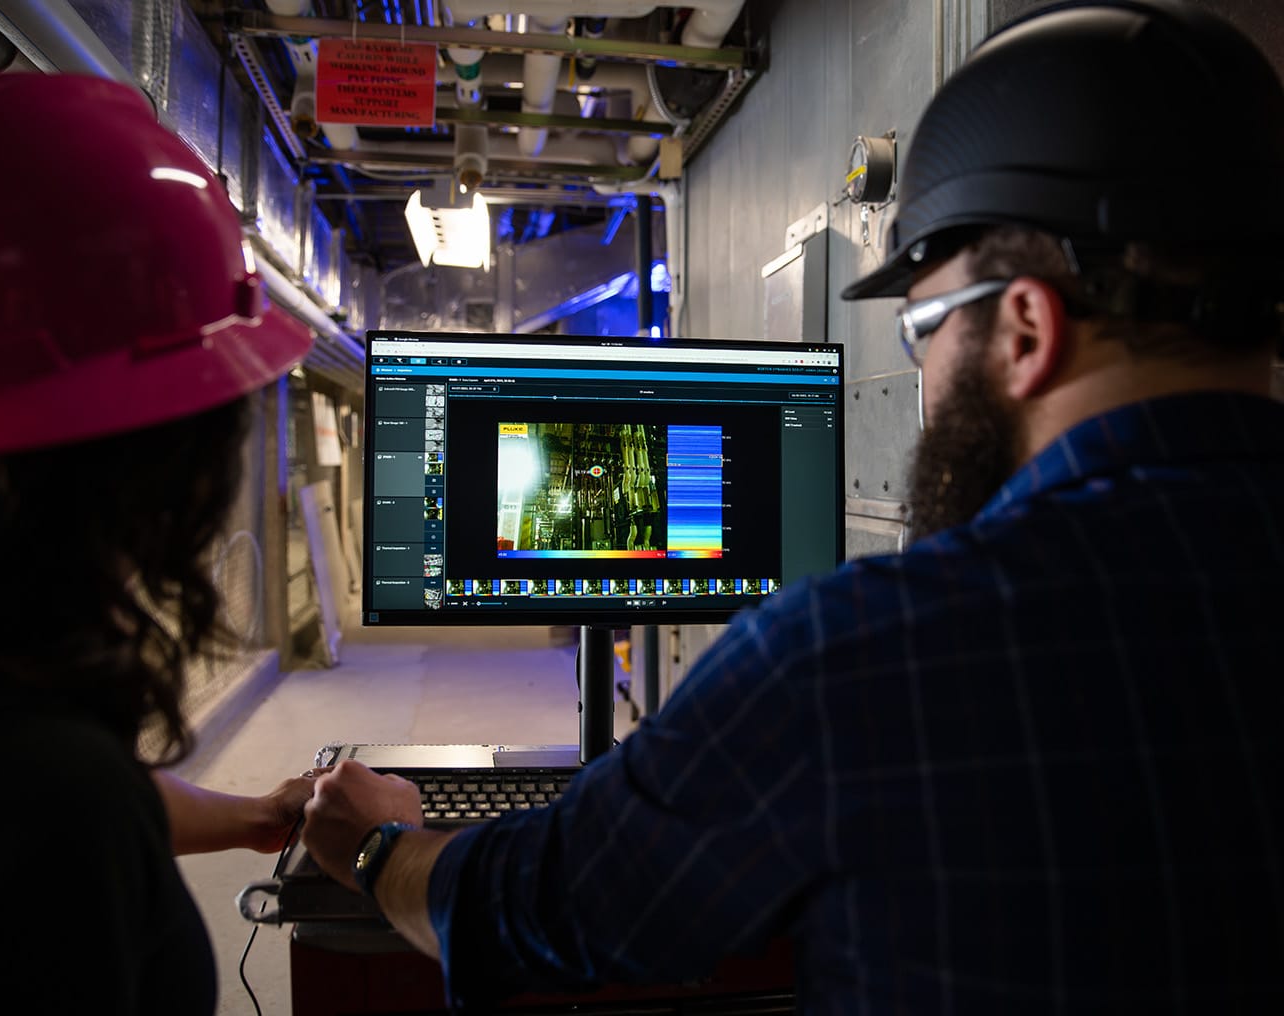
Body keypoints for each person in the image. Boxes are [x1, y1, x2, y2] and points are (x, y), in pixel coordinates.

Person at [300, 2, 1284, 1012]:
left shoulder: (870, 652)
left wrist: (378, 843)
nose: (927, 383)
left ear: (1027, 326)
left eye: (922, 333)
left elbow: (535, 909)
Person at [0, 73, 314, 1011]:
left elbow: (73, 784)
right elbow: (50, 800)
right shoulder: (35, 807)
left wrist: (256, 816)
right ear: (176, 462)